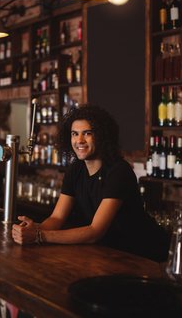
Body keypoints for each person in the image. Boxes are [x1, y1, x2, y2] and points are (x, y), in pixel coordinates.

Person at [12, 104, 170, 262]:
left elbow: (95, 231)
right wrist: (32, 229)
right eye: (74, 134)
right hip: (111, 253)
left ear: (101, 136)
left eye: (87, 133)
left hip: (145, 253)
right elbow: (57, 218)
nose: (79, 140)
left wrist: (40, 236)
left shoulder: (118, 171)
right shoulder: (76, 169)